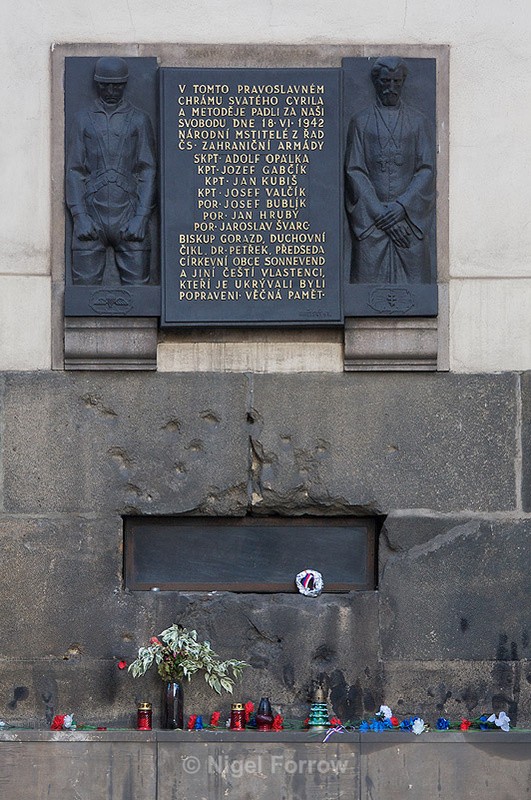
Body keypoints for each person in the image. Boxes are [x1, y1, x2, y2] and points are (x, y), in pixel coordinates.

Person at [66, 57, 156, 285]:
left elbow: (147, 170)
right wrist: (80, 216)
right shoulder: (83, 119)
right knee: (83, 292)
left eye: (117, 86)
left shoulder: (139, 120)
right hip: (91, 214)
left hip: (129, 213)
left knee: (139, 293)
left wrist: (141, 218)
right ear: (97, 84)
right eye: (105, 85)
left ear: (124, 85)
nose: (111, 91)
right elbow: (74, 170)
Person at [345, 57, 435, 284]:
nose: (391, 87)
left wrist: (402, 207)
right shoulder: (361, 122)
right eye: (386, 81)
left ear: (403, 82)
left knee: (416, 286)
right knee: (366, 287)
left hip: (409, 222)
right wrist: (379, 214)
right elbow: (355, 170)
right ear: (377, 82)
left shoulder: (418, 122)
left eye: (397, 81)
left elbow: (426, 170)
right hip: (372, 223)